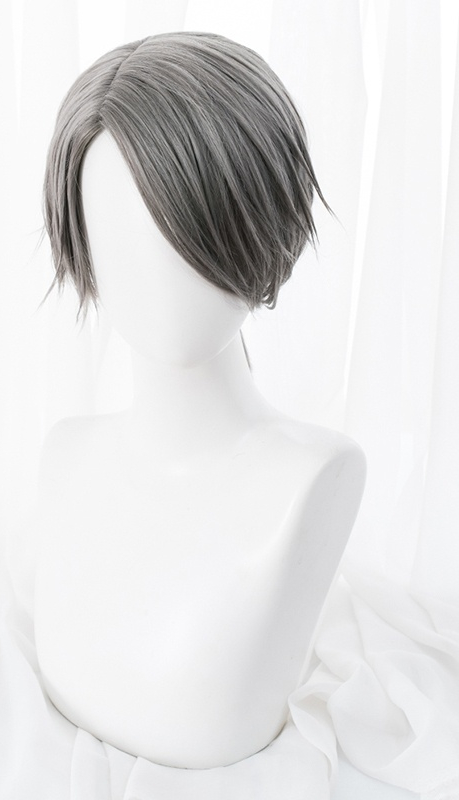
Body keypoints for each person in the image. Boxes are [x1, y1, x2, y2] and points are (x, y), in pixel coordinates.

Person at [37, 32, 366, 769]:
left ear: (261, 214)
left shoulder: (316, 480)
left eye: (186, 226)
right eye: (121, 234)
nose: (161, 273)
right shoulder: (65, 455)